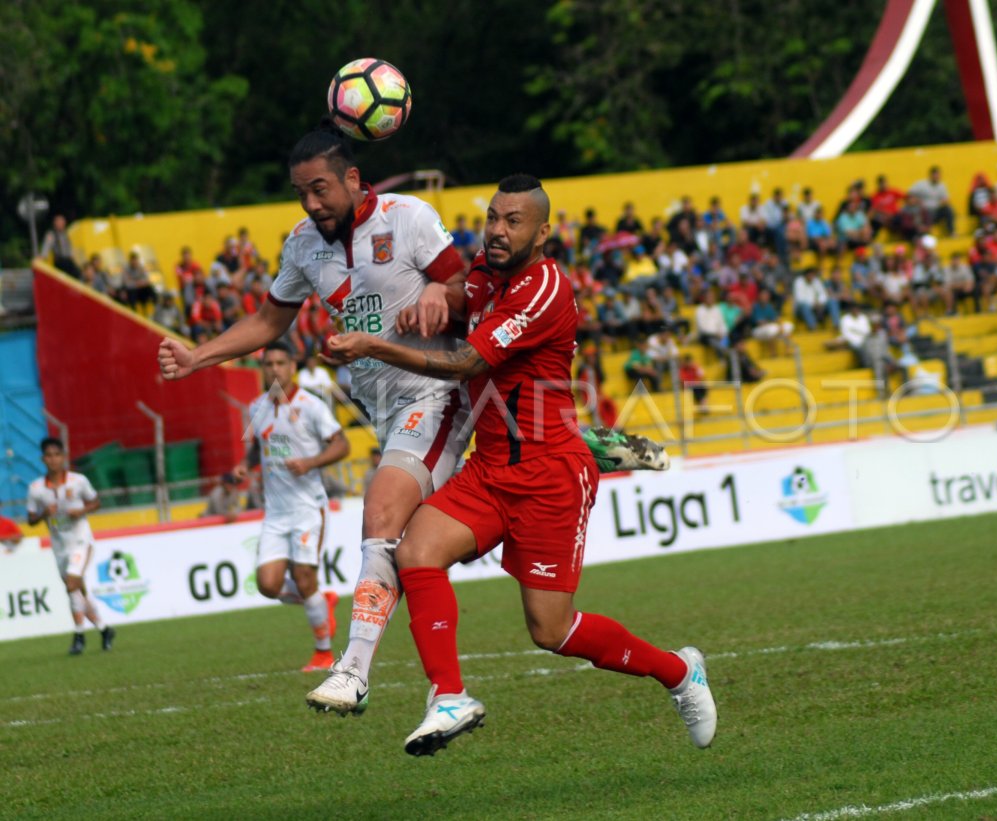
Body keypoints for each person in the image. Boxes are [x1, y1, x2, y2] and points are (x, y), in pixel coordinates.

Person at [160, 125, 668, 710]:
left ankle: (353, 669)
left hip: (436, 393)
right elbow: (271, 322)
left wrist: (437, 290)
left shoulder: (409, 218)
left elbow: (467, 288)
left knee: (382, 511)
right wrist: (198, 356)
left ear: (352, 178)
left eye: (320, 189)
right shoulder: (302, 244)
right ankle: (583, 444)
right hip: (394, 409)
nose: (311, 203)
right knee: (529, 616)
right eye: (301, 192)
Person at [319, 174, 716, 754]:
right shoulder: (486, 266)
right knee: (415, 553)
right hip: (491, 467)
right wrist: (439, 294)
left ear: (543, 232)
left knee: (550, 631)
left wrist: (371, 343)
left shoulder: (544, 289)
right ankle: (448, 696)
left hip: (550, 476)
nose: (498, 231)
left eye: (514, 222)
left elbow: (463, 364)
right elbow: (462, 294)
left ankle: (679, 673)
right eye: (493, 217)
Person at [233, 342, 349, 671]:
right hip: (276, 512)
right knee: (269, 586)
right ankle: (320, 600)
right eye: (268, 364)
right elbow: (258, 446)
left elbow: (342, 444)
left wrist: (311, 462)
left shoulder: (311, 405)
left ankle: (323, 652)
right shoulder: (257, 406)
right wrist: (246, 464)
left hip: (308, 508)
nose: (274, 369)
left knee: (302, 576)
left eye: (280, 363)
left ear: (292, 367)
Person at [26, 437, 113, 655]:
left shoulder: (78, 481)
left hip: (81, 541)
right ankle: (104, 630)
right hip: (59, 546)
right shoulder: (36, 488)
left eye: (57, 455)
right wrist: (43, 514)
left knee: (72, 584)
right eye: (49, 456)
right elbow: (30, 519)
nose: (53, 460)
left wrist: (82, 511)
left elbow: (96, 502)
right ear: (43, 459)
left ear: (63, 457)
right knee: (77, 591)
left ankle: (78, 636)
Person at [40, 214, 82, 279]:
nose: (62, 224)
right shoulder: (51, 234)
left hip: (68, 261)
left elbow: (69, 248)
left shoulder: (65, 234)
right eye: (60, 223)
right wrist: (42, 257)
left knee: (78, 274)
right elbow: (46, 247)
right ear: (55, 223)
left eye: (63, 223)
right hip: (60, 262)